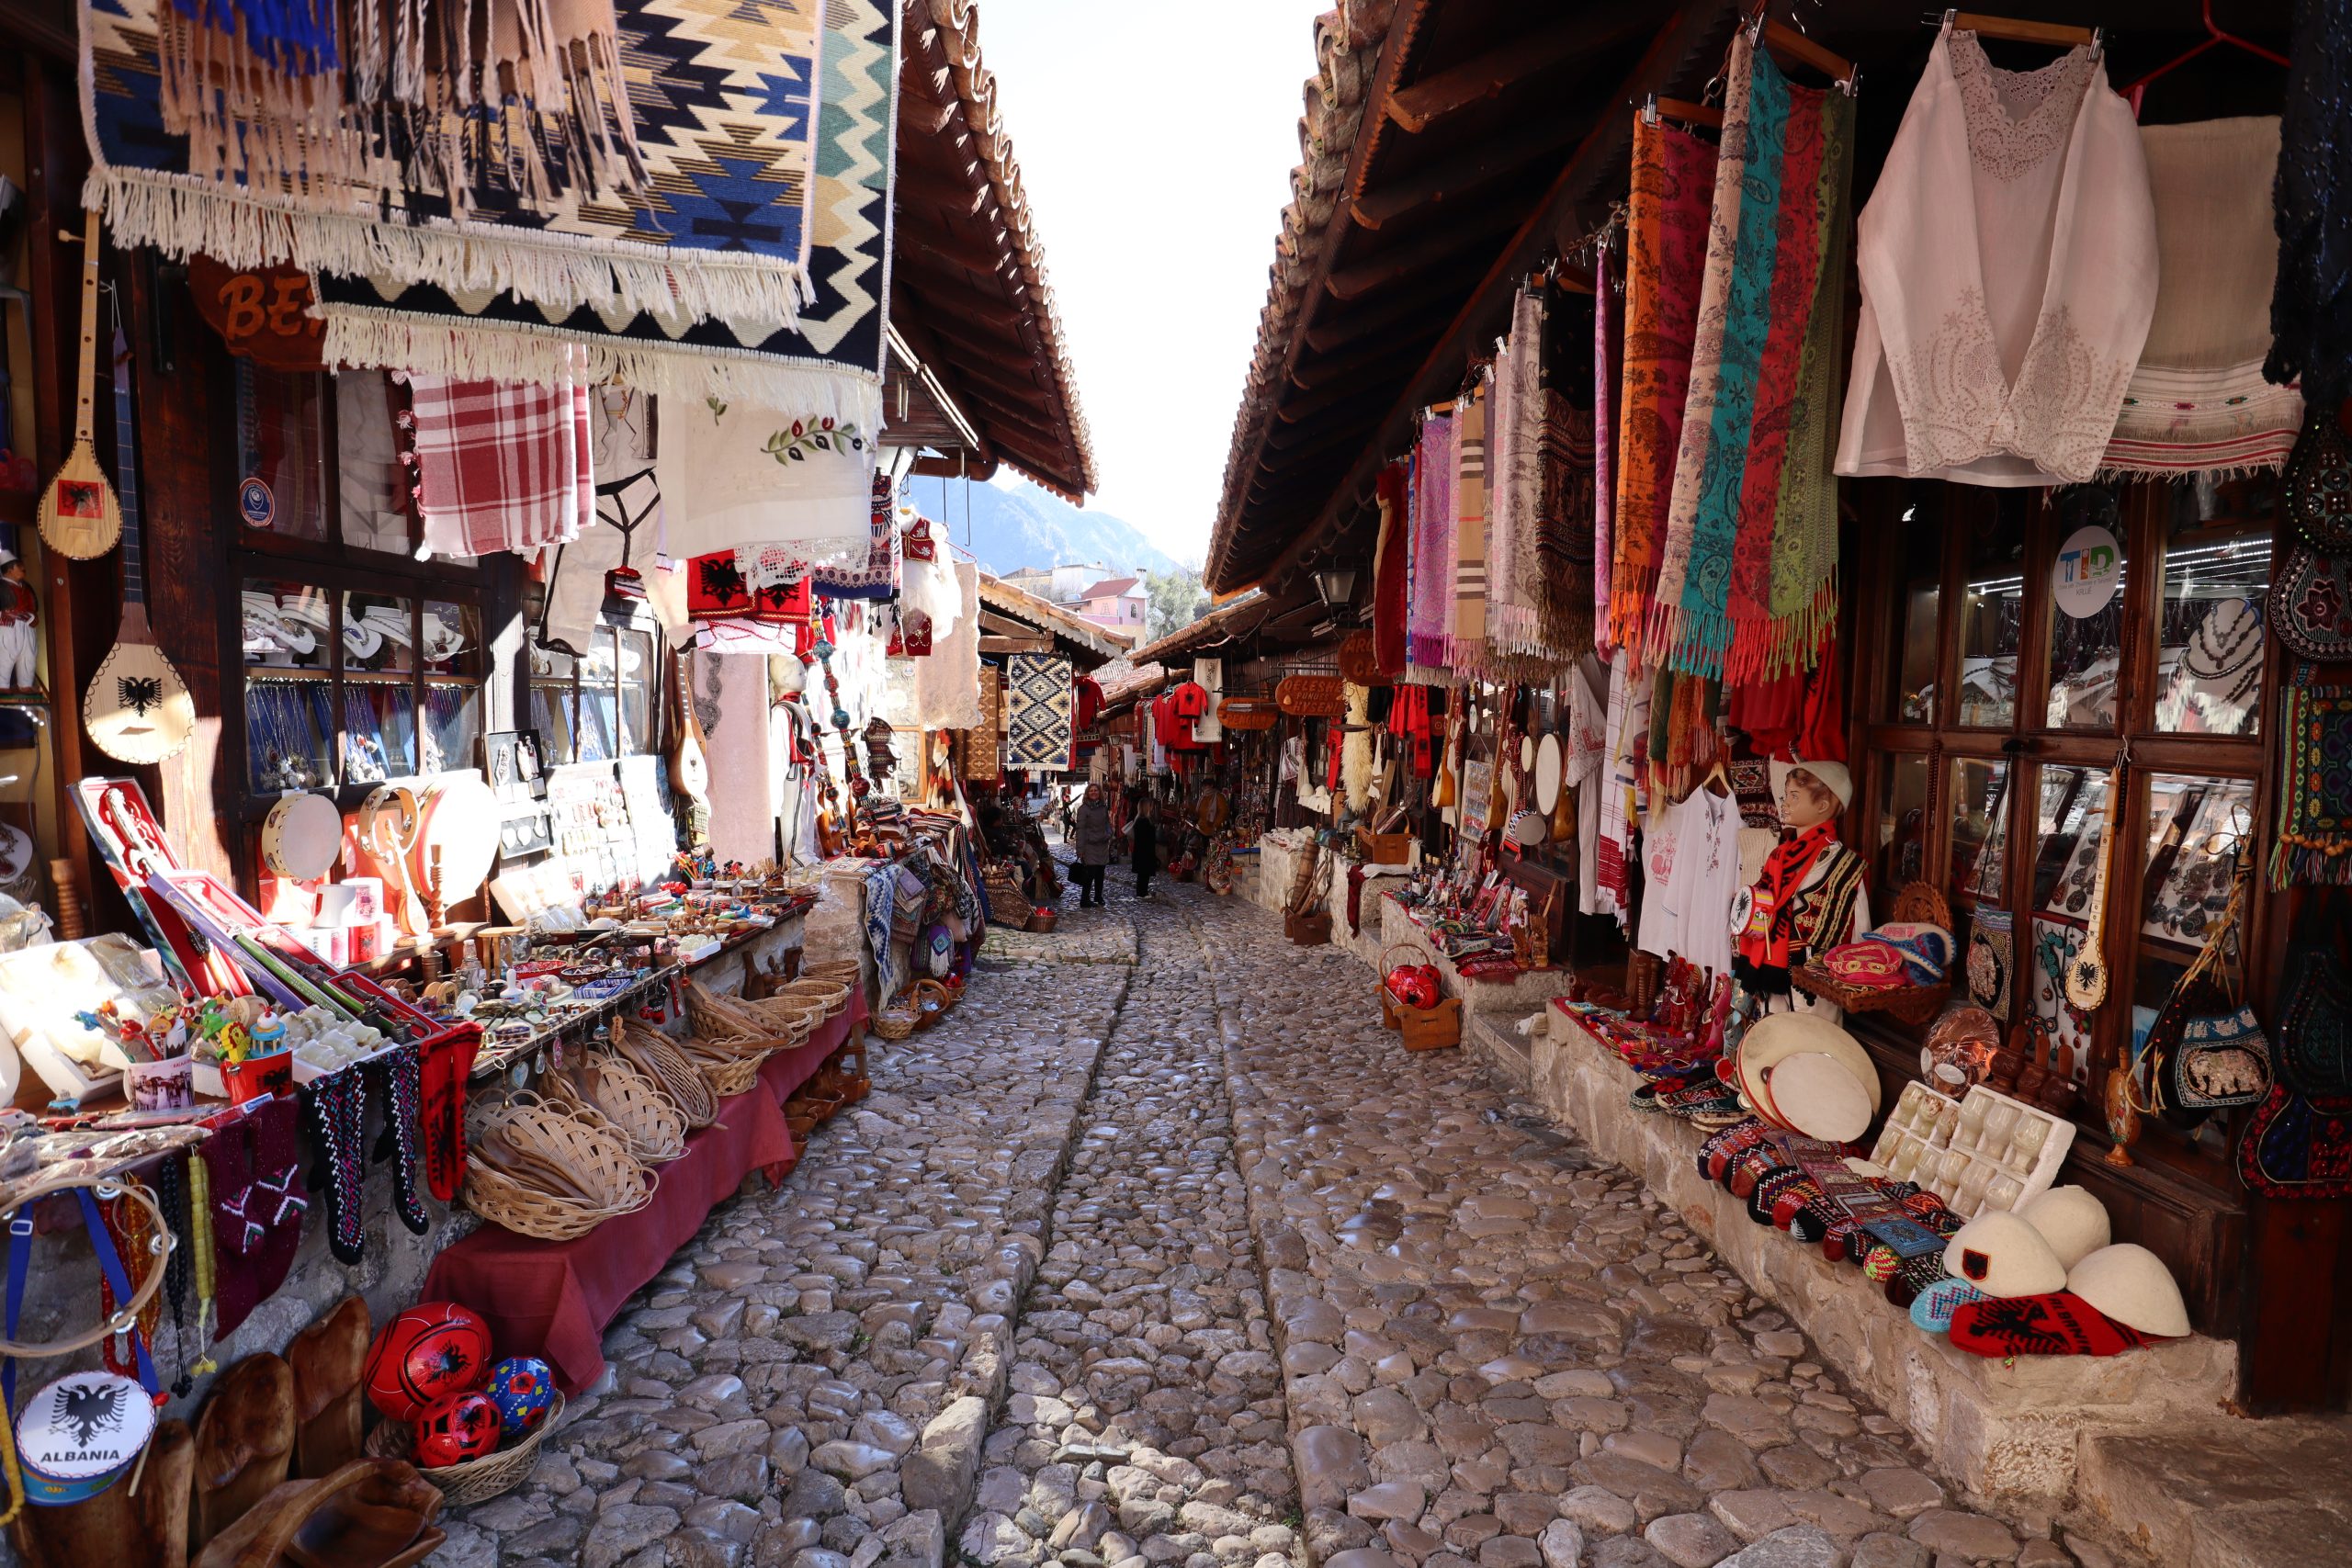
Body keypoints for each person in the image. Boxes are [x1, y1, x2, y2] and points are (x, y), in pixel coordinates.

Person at [1071, 785, 1113, 908]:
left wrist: (1109, 834)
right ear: (1087, 793)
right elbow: (1080, 830)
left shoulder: (1103, 807)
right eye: (1091, 790)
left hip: (1102, 845)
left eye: (1096, 790)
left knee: (1100, 872)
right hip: (1089, 846)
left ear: (1099, 792)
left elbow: (1107, 824)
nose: (1094, 792)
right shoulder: (1083, 809)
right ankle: (1085, 899)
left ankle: (1099, 896)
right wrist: (1080, 850)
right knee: (1090, 873)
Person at [1129, 790, 1161, 899]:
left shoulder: (1139, 820)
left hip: (1141, 851)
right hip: (1145, 852)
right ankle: (1142, 893)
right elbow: (1147, 838)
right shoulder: (1144, 821)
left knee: (1143, 874)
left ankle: (1142, 892)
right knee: (1144, 874)